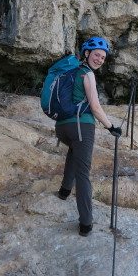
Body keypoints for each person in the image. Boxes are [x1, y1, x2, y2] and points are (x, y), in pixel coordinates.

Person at [55, 36, 122, 237]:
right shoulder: (87, 74)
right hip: (81, 127)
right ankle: (86, 223)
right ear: (86, 53)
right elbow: (95, 107)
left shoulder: (70, 70)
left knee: (74, 151)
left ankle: (64, 191)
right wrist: (111, 127)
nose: (100, 60)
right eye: (97, 55)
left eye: (103, 57)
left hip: (62, 128)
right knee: (84, 174)